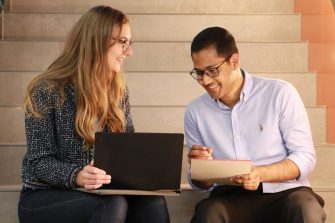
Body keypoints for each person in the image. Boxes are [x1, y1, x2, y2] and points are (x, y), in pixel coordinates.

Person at [18, 5, 170, 223]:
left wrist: (146, 171)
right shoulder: (46, 89)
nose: (129, 52)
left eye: (129, 43)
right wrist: (76, 175)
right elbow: (37, 162)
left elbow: (127, 152)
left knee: (152, 202)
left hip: (101, 192)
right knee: (112, 204)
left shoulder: (118, 91)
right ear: (98, 41)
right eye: (123, 42)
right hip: (45, 196)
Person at [184, 26, 326, 223]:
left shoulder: (280, 93)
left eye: (212, 71)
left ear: (234, 61)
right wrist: (199, 168)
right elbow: (200, 183)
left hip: (285, 193)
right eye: (199, 73)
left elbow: (305, 157)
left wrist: (259, 173)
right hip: (229, 198)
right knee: (208, 213)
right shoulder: (195, 111)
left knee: (305, 208)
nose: (205, 80)